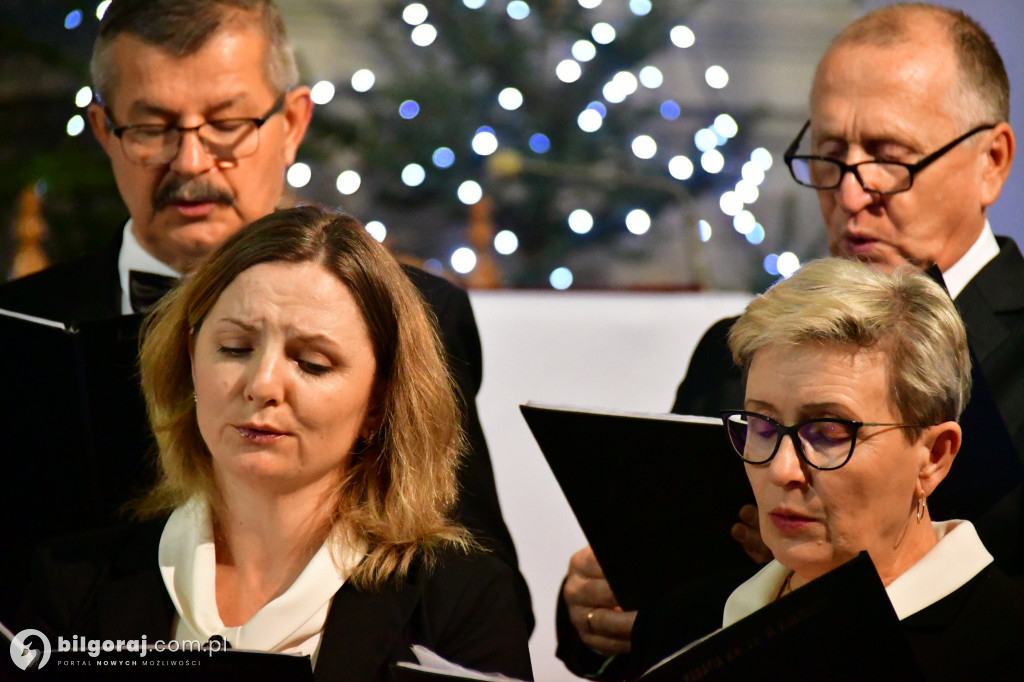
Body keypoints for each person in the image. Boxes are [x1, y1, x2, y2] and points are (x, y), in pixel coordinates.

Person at [0, 0, 529, 628]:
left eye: (227, 124)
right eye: (152, 128)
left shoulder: (420, 315)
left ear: (293, 122)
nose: (191, 162)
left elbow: (475, 586)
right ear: (104, 131)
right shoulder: (15, 323)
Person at [557, 3, 1024, 677]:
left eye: (889, 159)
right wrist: (596, 604)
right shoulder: (737, 350)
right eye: (830, 157)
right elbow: (657, 576)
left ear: (992, 161)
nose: (852, 193)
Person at [19, 206, 534, 680]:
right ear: (188, 361)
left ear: (379, 401)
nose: (262, 384)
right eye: (234, 347)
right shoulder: (69, 583)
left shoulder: (463, 601)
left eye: (312, 362)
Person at [635, 257, 1024, 679]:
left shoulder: (1005, 644)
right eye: (762, 425)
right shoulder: (691, 626)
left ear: (933, 457)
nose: (784, 470)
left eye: (828, 431)